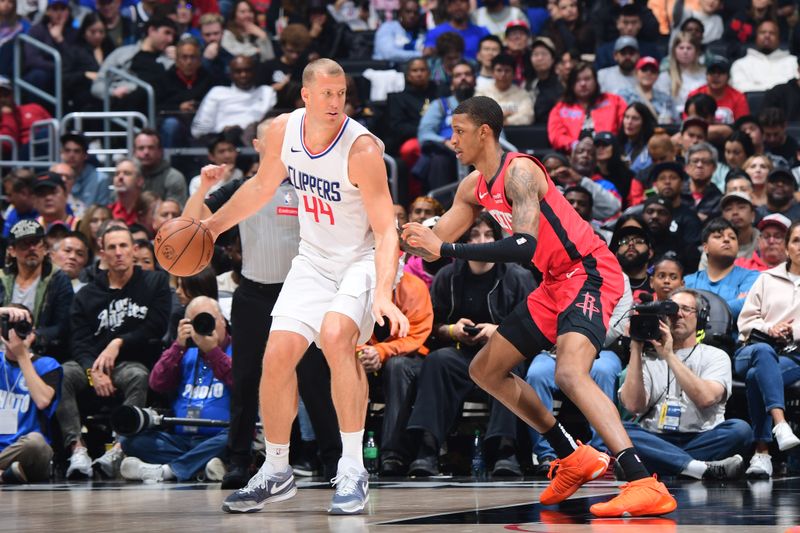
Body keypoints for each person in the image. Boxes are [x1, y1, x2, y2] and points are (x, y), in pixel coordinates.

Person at [401, 96, 677, 517]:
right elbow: (433, 250)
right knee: (485, 370)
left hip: (589, 272)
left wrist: (445, 245)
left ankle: (642, 480)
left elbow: (523, 243)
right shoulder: (470, 187)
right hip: (552, 282)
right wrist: (394, 233)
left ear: (484, 132)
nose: (451, 140)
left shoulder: (521, 171)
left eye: (458, 132)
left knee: (568, 371)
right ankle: (573, 455)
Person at [199, 59, 408, 515]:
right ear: (306, 96)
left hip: (361, 260)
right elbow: (260, 187)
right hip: (313, 260)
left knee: (336, 338)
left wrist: (383, 292)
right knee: (276, 356)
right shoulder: (282, 130)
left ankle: (352, 468)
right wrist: (212, 228)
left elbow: (388, 231)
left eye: (342, 93)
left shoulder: (363, 149)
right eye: (327, 93)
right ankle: (276, 470)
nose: (336, 102)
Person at [184, 118, 342, 488]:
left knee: (315, 381)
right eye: (274, 138)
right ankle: (238, 460)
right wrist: (206, 186)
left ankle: (333, 460)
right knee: (246, 381)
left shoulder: (312, 187)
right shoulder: (242, 189)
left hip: (303, 295)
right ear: (258, 144)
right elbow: (192, 224)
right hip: (254, 294)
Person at [402, 213, 535, 478]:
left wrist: (498, 331)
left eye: (488, 236)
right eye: (474, 236)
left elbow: (534, 328)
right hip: (462, 354)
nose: (482, 242)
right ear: (463, 242)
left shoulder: (518, 277)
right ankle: (428, 450)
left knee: (509, 368)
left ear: (498, 240)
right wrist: (453, 330)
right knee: (437, 362)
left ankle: (505, 452)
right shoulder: (447, 277)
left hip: (503, 353)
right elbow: (433, 328)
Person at [56, 226, 170, 479]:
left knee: (137, 375)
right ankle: (77, 450)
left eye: (124, 246)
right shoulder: (86, 295)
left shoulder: (154, 282)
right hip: (93, 367)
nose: (118, 253)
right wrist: (91, 372)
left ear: (134, 249)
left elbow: (156, 325)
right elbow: (79, 342)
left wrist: (118, 342)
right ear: (102, 253)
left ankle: (120, 447)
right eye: (112, 247)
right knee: (61, 373)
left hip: (131, 362)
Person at [620, 288, 753, 479]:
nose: (678, 315)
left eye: (685, 309)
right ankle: (698, 468)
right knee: (619, 429)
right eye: (672, 310)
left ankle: (656, 464)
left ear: (700, 317)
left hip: (702, 437)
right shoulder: (646, 358)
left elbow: (706, 398)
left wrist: (669, 355)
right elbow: (633, 406)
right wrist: (635, 347)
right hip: (655, 436)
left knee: (740, 430)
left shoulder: (715, 355)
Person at [119, 296, 232, 482]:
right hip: (181, 439)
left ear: (223, 320)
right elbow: (157, 383)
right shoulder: (185, 351)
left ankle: (167, 471)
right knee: (131, 442)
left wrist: (214, 352)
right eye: (198, 322)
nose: (206, 326)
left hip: (219, 436)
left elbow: (242, 383)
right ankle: (203, 467)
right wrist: (178, 346)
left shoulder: (240, 349)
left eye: (210, 319)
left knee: (235, 438)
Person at [736, 220, 800, 478]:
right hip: (753, 348)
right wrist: (769, 328)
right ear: (786, 247)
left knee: (756, 377)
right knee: (762, 354)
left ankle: (762, 452)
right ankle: (781, 425)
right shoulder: (766, 278)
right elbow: (745, 321)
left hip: (793, 355)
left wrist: (792, 331)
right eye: (796, 240)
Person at [0, 305, 61, 485]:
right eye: (8, 327)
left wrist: (22, 356)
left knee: (36, 443)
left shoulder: (48, 365)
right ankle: (5, 475)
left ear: (32, 333)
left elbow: (43, 401)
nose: (14, 333)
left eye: (21, 327)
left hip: (29, 453)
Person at [1, 219, 73, 359]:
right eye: (24, 244)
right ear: (12, 251)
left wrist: (35, 336)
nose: (32, 248)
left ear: (45, 248)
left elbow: (63, 326)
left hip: (41, 353)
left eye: (36, 243)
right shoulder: (1, 279)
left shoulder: (58, 280)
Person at [685, 217, 760, 322]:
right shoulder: (689, 281)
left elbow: (746, 306)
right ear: (705, 247)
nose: (726, 240)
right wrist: (734, 303)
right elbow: (682, 313)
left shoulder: (752, 277)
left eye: (732, 238)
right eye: (718, 236)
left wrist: (698, 311)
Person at [547, 62, 627, 153]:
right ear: (571, 84)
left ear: (596, 81)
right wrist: (575, 145)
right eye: (577, 80)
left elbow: (626, 127)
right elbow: (556, 136)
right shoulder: (560, 108)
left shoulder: (614, 101)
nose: (583, 84)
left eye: (587, 79)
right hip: (573, 155)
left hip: (609, 154)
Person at [730, 19, 797, 93]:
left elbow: (795, 89)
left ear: (778, 39)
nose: (767, 35)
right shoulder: (740, 64)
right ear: (756, 37)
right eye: (763, 32)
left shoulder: (793, 62)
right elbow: (739, 88)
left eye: (772, 33)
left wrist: (757, 85)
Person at [475, 53, 534, 126]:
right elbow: (477, 116)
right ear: (493, 73)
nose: (503, 74)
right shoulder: (482, 92)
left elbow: (528, 116)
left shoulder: (522, 94)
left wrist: (507, 121)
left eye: (507, 71)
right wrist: (505, 114)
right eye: (499, 70)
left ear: (514, 74)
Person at [133, 129, 188, 205]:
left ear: (160, 151)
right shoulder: (129, 176)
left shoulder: (174, 177)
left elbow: (175, 213)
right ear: (134, 152)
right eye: (141, 148)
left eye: (151, 148)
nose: (146, 152)